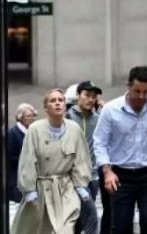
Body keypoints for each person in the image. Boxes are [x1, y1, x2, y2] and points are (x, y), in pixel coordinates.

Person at [93, 66, 147, 234]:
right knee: (121, 226)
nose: (141, 96)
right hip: (120, 175)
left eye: (146, 91)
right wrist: (107, 171)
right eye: (137, 91)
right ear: (128, 85)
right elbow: (100, 141)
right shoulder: (111, 110)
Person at [11, 88, 92, 234]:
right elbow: (27, 160)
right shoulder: (35, 130)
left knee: (65, 229)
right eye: (52, 101)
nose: (57, 104)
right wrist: (30, 192)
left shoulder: (74, 129)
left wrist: (81, 186)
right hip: (42, 188)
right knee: (40, 229)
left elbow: (81, 159)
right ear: (45, 107)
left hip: (66, 189)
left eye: (60, 100)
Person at [66, 81, 102, 234]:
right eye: (87, 95)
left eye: (94, 96)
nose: (90, 99)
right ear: (78, 95)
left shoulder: (98, 118)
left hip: (93, 177)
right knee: (92, 218)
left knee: (81, 218)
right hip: (75, 178)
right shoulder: (67, 117)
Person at [7, 103, 37, 203]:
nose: (31, 118)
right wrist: (27, 159)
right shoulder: (13, 133)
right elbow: (10, 158)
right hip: (17, 177)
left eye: (33, 116)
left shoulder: (33, 132)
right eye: (28, 116)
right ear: (20, 117)